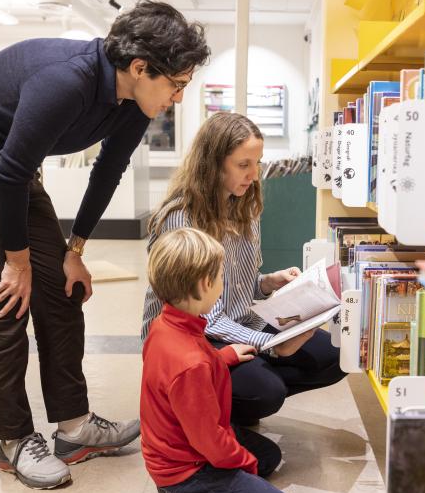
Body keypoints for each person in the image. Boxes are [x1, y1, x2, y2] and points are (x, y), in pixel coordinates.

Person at [0, 0, 210, 490]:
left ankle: (74, 428)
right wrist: (16, 263)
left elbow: (108, 169)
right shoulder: (64, 81)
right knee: (4, 304)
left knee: (65, 290)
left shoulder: (134, 101)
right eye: (175, 85)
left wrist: (75, 252)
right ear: (139, 67)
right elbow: (8, 175)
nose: (177, 97)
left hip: (7, 170)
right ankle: (14, 442)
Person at [142, 112, 346, 427]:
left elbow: (238, 287)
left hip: (235, 322)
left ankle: (225, 395)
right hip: (193, 338)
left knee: (334, 355)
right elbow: (204, 315)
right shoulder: (182, 219)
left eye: (257, 163)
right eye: (243, 164)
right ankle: (194, 406)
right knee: (266, 391)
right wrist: (272, 347)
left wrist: (267, 283)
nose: (253, 174)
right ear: (213, 164)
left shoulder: (243, 207)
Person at [141, 227, 290, 493]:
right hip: (186, 469)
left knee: (270, 457)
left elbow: (180, 374)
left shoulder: (165, 325)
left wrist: (225, 357)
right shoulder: (190, 364)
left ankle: (190, 488)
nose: (223, 285)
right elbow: (207, 440)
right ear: (206, 284)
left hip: (179, 444)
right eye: (221, 278)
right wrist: (244, 466)